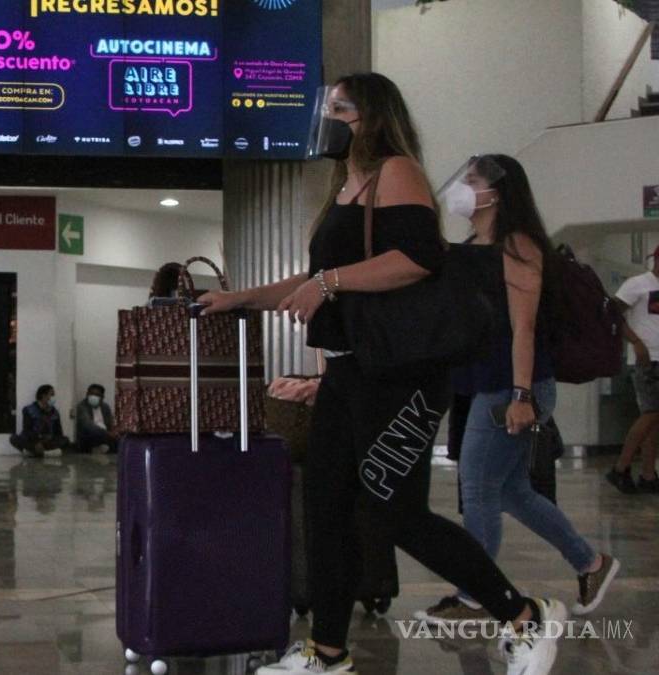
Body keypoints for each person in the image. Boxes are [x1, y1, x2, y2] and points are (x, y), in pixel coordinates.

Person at [199, 73, 565, 675]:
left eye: (341, 107)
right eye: (327, 106)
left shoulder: (396, 171)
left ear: (372, 115)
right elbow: (315, 279)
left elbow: (419, 258)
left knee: (395, 513)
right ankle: (329, 653)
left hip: (400, 377)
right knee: (327, 511)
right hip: (350, 372)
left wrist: (329, 282)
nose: (329, 117)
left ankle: (524, 616)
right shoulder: (345, 187)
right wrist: (238, 299)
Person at [419, 155, 618, 627]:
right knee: (512, 492)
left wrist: (521, 396)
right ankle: (591, 563)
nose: (463, 188)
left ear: (497, 192)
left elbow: (523, 327)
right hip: (487, 385)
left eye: (473, 181)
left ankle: (474, 598)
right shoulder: (473, 246)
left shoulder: (518, 245)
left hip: (511, 388)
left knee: (478, 490)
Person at [607, 247, 659, 494]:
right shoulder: (638, 284)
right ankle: (620, 468)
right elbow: (612, 313)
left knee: (654, 419)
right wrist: (636, 342)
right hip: (648, 360)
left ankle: (648, 474)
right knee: (651, 413)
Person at [10, 385, 71, 457]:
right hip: (33, 441)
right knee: (14, 438)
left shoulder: (55, 412)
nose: (53, 398)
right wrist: (37, 442)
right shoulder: (28, 410)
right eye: (51, 395)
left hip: (48, 441)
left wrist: (49, 438)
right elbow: (27, 429)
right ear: (43, 396)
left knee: (65, 440)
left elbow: (59, 432)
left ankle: (34, 452)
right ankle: (40, 451)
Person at [74, 384, 117, 453]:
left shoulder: (105, 407)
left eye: (97, 395)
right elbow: (88, 425)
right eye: (91, 394)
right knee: (92, 432)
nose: (93, 397)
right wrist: (108, 434)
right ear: (87, 394)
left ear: (102, 397)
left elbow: (110, 423)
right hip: (88, 439)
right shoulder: (82, 406)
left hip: (105, 437)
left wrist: (114, 432)